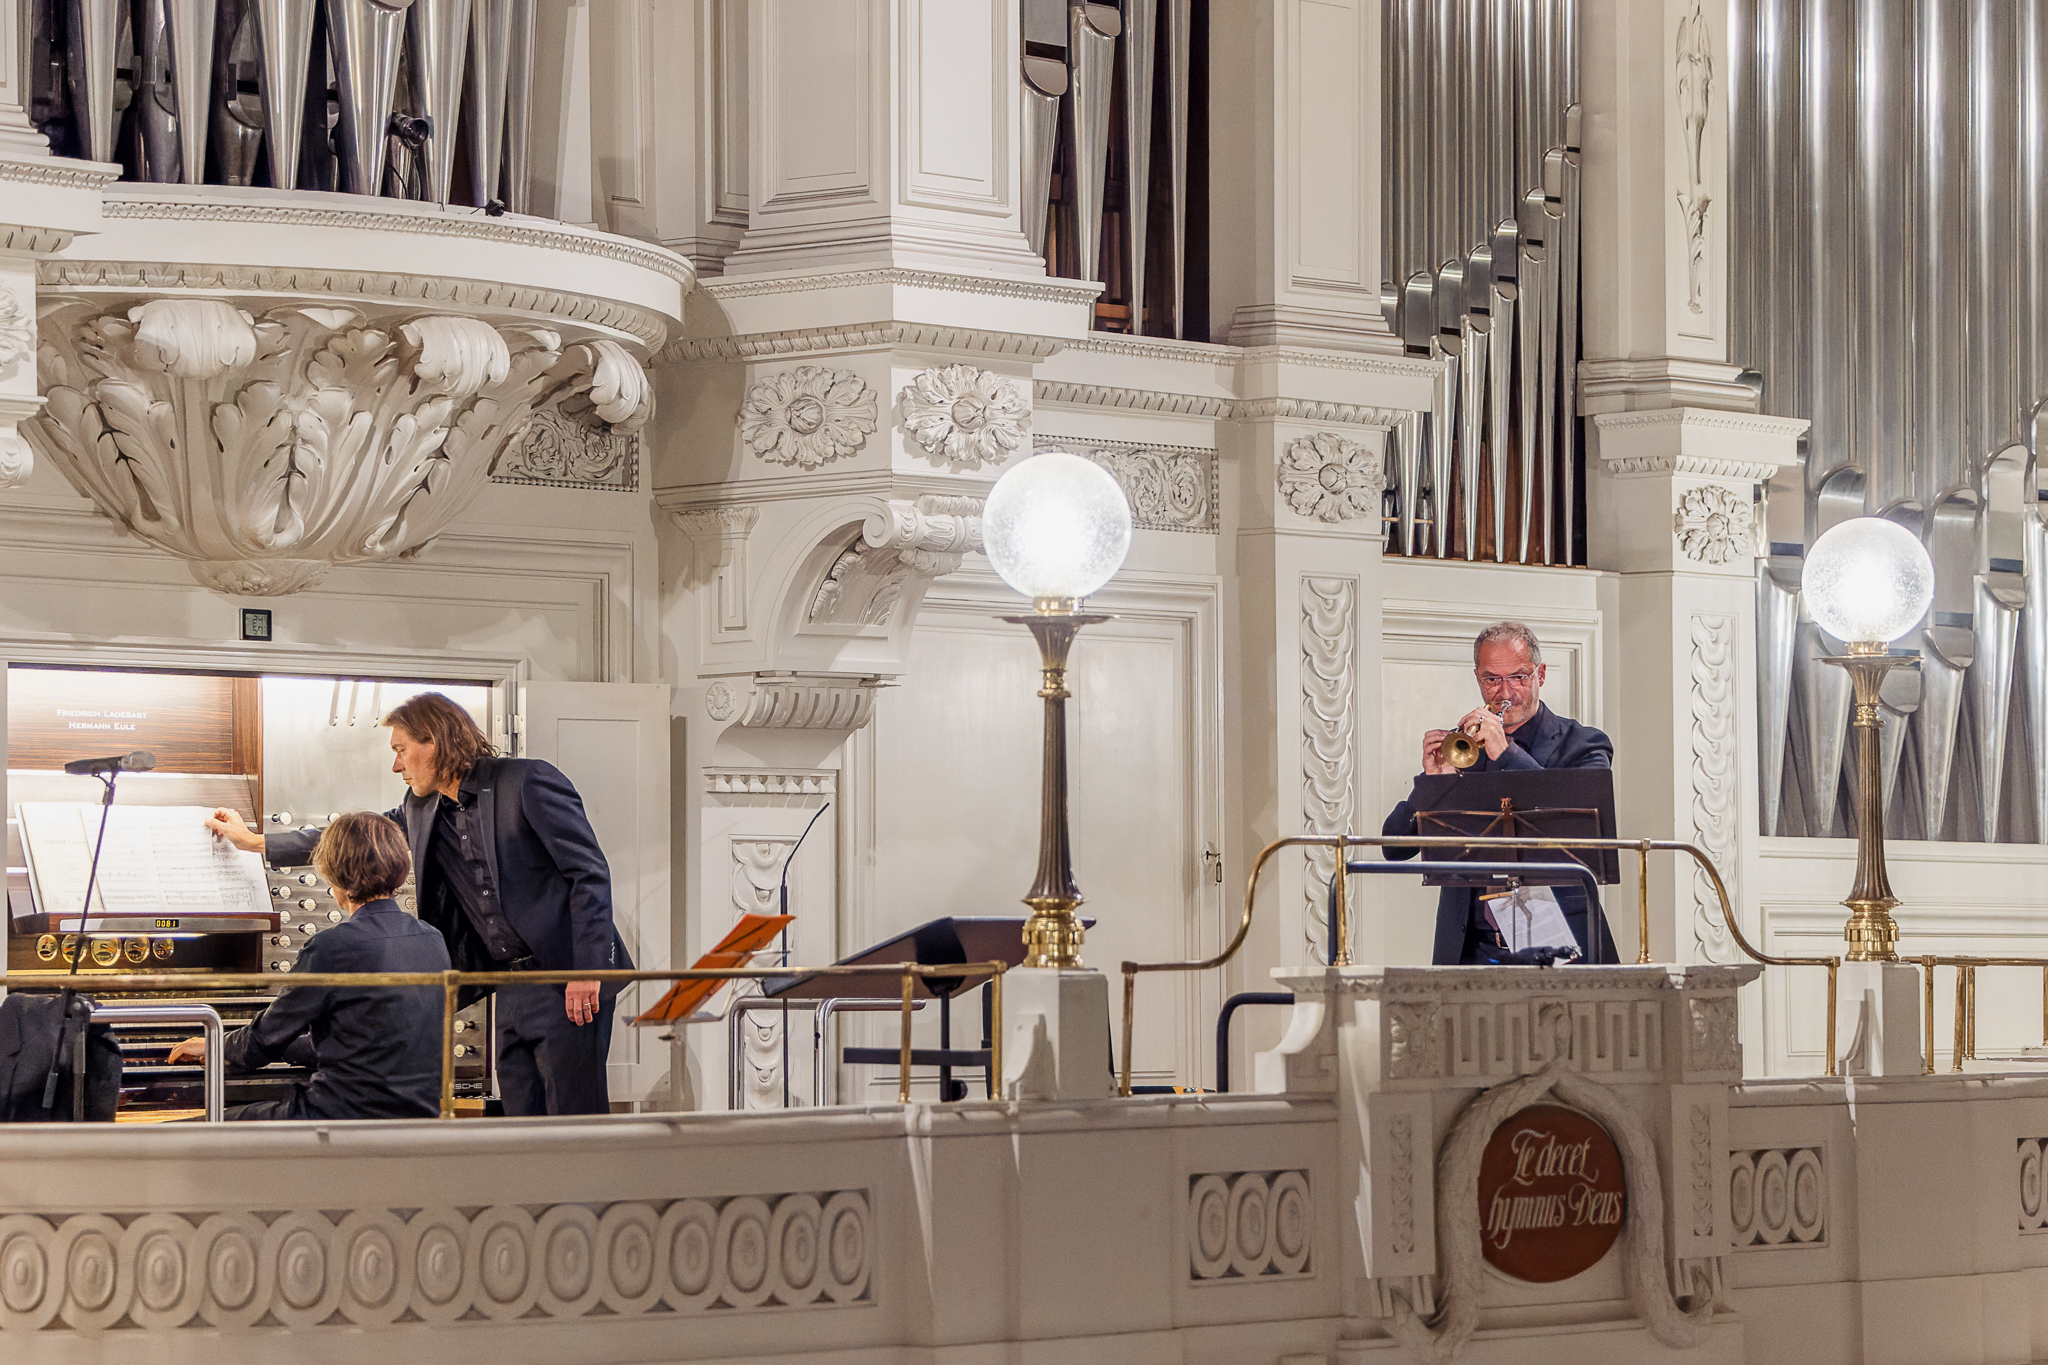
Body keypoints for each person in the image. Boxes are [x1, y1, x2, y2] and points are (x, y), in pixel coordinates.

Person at [206, 692, 629, 1116]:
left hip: (568, 976)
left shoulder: (528, 781)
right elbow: (353, 838)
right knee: (520, 1119)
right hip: (509, 983)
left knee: (576, 1120)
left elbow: (588, 872)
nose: (396, 765)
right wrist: (257, 843)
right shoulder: (420, 807)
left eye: (400, 750)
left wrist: (587, 971)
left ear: (436, 741)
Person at [170, 812, 448, 1119]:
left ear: (335, 873)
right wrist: (281, 1046)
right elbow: (362, 1043)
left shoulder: (334, 946)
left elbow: (259, 1045)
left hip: (341, 1119)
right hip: (417, 1118)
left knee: (182, 1133)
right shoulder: (432, 939)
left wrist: (213, 1044)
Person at [1382, 621, 1618, 964]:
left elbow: (1572, 826)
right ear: (1478, 678)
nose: (1505, 692)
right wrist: (1433, 784)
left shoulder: (1584, 744)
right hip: (1472, 951)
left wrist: (1505, 752)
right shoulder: (1462, 747)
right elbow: (1393, 847)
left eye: (1518, 677)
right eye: (1492, 679)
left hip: (1564, 944)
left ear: (1541, 674)